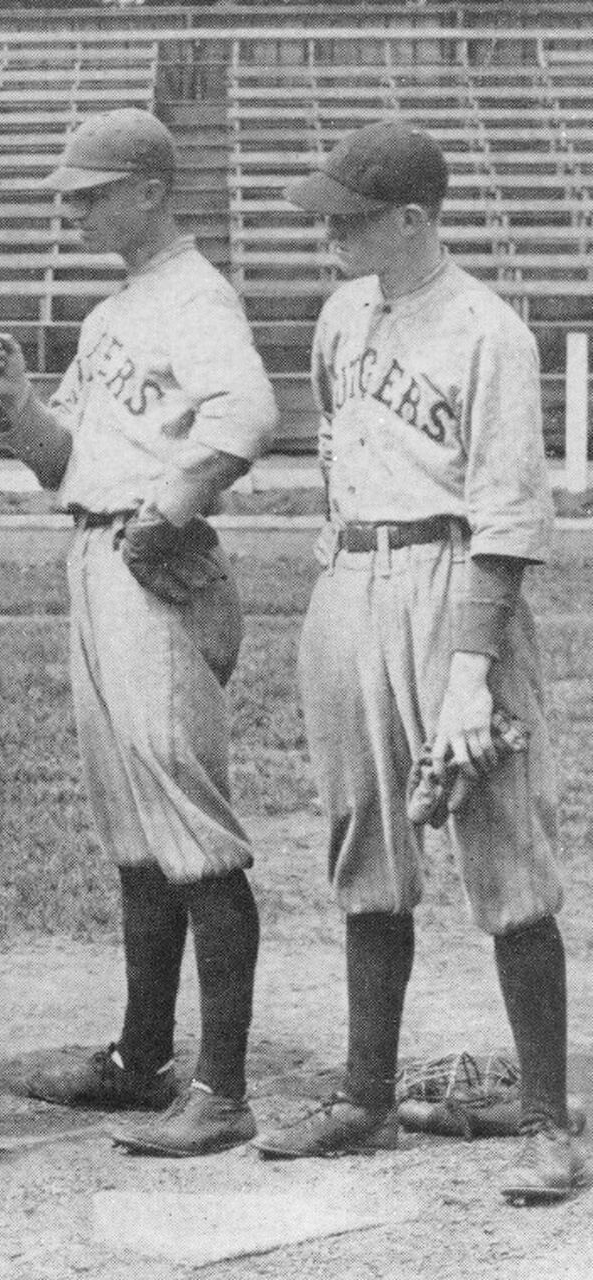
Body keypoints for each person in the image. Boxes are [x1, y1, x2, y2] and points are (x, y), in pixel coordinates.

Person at [250, 121, 581, 1204]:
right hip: (350, 579)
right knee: (364, 837)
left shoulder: (487, 330)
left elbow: (504, 517)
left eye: (347, 216)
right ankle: (364, 1097)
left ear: (412, 219)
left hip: (453, 582)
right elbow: (339, 455)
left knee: (500, 845)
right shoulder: (342, 313)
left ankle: (544, 1120)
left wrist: (469, 671)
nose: (327, 232)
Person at [0, 108, 278, 1157]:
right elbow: (66, 461)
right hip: (96, 553)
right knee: (133, 826)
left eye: (93, 189)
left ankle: (221, 1088)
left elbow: (247, 416)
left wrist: (165, 511)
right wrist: (15, 407)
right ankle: (141, 1060)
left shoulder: (195, 296)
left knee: (187, 821)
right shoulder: (112, 310)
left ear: (148, 189)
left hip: (152, 566)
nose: (75, 205)